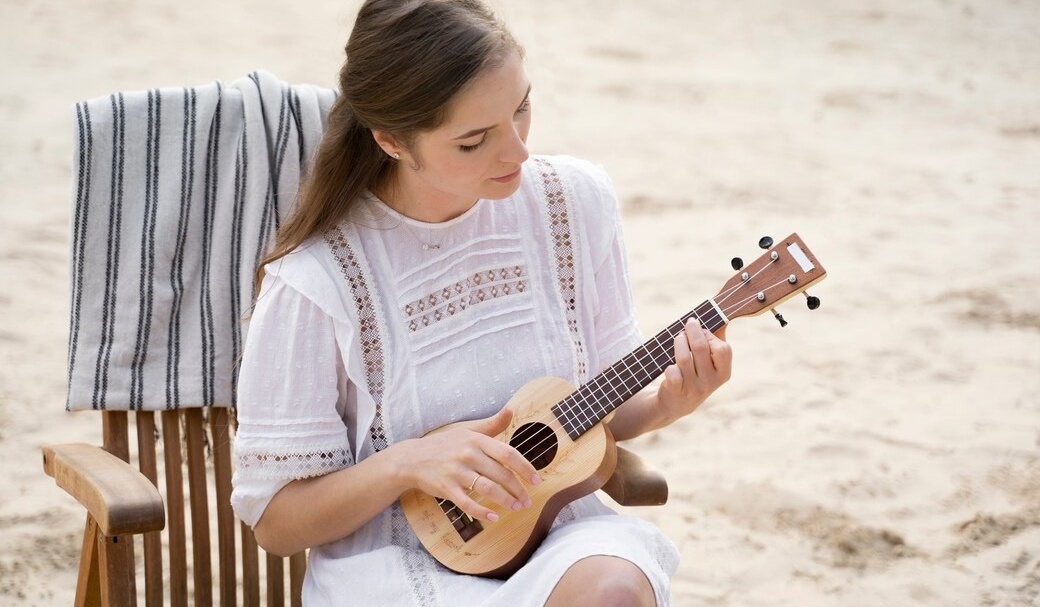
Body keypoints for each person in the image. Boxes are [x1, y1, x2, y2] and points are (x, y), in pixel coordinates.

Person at [231, 0, 733, 605]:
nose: (518, 152)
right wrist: (408, 463)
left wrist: (667, 403)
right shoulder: (318, 280)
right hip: (392, 565)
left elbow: (590, 418)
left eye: (522, 109)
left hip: (552, 536)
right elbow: (278, 524)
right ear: (391, 140)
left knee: (613, 590)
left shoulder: (573, 204)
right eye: (475, 141)